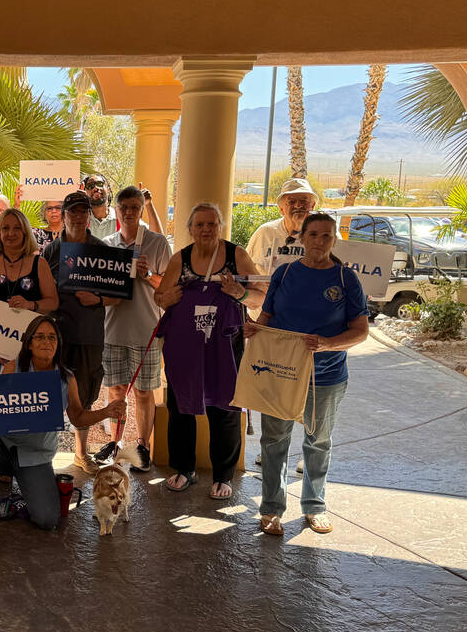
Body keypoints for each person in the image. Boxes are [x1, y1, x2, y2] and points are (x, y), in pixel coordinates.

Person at [248, 212, 368, 536]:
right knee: (274, 441)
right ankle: (271, 509)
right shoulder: (284, 274)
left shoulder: (346, 280)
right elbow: (268, 318)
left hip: (326, 377)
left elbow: (360, 331)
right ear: (301, 238)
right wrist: (255, 331)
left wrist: (328, 344)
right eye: (313, 235)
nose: (319, 241)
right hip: (281, 374)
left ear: (333, 240)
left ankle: (315, 507)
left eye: (326, 236)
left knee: (318, 443)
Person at [0, 315, 126, 528]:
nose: (47, 342)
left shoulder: (66, 378)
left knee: (47, 520)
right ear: (29, 343)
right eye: (39, 337)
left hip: (35, 455)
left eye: (52, 337)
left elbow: (77, 417)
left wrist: (105, 412)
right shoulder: (12, 367)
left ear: (58, 343)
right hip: (3, 446)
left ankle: (29, 494)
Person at [153, 203, 265, 498]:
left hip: (225, 346)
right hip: (185, 349)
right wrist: (169, 297)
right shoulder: (181, 259)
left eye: (212, 224)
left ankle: (223, 476)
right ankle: (183, 469)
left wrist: (239, 293)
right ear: (190, 229)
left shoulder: (236, 255)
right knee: (180, 406)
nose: (205, 230)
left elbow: (259, 295)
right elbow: (159, 297)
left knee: (225, 406)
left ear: (220, 227)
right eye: (200, 224)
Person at [91, 186, 172, 471]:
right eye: (123, 207)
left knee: (144, 393)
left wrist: (147, 274)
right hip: (112, 330)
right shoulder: (106, 245)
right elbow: (97, 287)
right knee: (115, 391)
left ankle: (142, 447)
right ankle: (116, 443)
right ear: (115, 209)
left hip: (146, 330)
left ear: (141, 209)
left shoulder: (157, 243)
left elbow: (169, 287)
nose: (128, 212)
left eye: (134, 207)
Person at [244, 176, 319, 467]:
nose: (298, 206)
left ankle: (308, 453)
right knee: (273, 390)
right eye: (292, 201)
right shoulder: (265, 234)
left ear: (313, 206)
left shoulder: (321, 234)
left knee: (309, 391)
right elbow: (249, 274)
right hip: (271, 326)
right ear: (281, 207)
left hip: (308, 329)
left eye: (304, 201)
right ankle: (273, 450)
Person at [43, 191, 115, 472]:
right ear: (63, 214)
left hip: (88, 335)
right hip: (56, 336)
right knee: (49, 394)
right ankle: (44, 454)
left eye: (83, 211)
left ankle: (81, 453)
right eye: (73, 211)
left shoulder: (102, 250)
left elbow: (117, 296)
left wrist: (96, 299)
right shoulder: (50, 251)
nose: (78, 216)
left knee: (85, 394)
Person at [0, 207, 58, 319]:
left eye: (17, 228)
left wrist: (30, 305)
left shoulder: (40, 263)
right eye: (5, 228)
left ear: (25, 232)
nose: (11, 233)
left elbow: (53, 303)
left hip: (31, 332)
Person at [83, 174, 118, 238]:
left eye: (100, 184)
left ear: (108, 189)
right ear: (85, 192)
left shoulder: (121, 218)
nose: (96, 188)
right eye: (90, 186)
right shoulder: (81, 221)